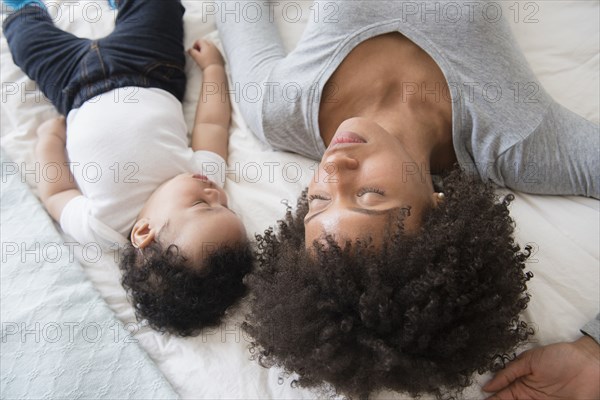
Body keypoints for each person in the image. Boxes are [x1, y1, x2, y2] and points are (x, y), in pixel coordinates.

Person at [216, 0, 600, 398]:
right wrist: (595, 353)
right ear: (438, 207)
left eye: (318, 201)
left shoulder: (277, 110)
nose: (333, 170)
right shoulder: (517, 139)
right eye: (368, 194)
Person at [3, 0, 253, 337]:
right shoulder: (202, 175)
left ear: (143, 232)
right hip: (149, 66)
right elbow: (213, 122)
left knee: (24, 40)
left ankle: (24, 7)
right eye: (226, 205)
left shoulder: (102, 226)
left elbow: (57, 191)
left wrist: (48, 142)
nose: (216, 193)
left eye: (202, 204)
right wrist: (213, 70)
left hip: (72, 85)